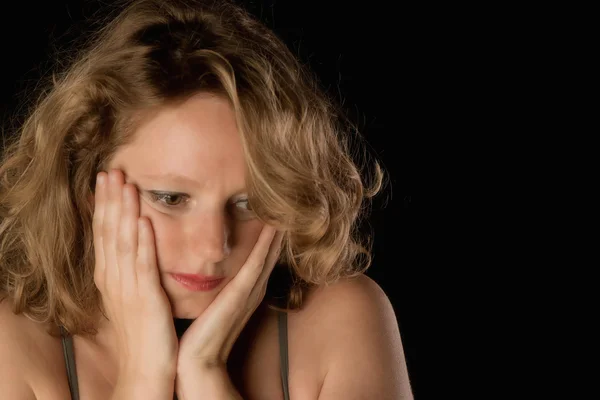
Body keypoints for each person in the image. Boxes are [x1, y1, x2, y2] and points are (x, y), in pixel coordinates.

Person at [0, 0, 413, 399]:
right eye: (171, 198)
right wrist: (145, 376)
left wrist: (206, 375)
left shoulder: (344, 320)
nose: (214, 246)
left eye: (249, 203)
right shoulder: (15, 346)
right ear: (87, 188)